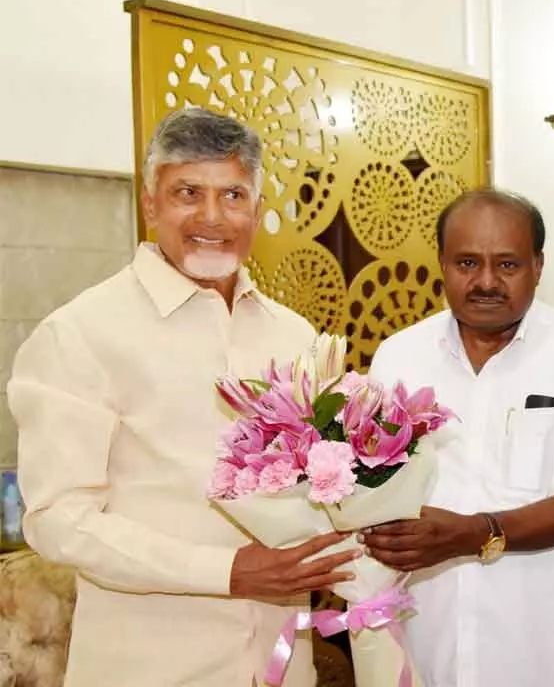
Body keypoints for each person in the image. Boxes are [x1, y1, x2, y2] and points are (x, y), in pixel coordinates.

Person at [7, 107, 356, 686]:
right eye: (187, 192)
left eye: (233, 195)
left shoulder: (294, 337)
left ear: (258, 210)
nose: (212, 216)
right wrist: (226, 571)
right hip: (150, 667)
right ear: (150, 204)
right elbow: (57, 519)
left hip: (280, 664)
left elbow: (324, 485)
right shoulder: (82, 333)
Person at [360, 188, 554, 687]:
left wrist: (470, 534)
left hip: (550, 658)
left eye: (507, 265)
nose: (486, 282)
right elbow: (375, 491)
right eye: (467, 262)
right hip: (429, 653)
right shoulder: (398, 357)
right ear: (442, 264)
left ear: (538, 265)